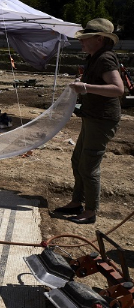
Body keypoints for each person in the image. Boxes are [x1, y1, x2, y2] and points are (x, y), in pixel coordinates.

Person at [54, 18, 124, 224]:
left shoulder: (105, 59)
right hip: (92, 117)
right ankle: (77, 202)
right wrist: (83, 85)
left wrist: (85, 87)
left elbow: (118, 89)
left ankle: (90, 211)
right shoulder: (95, 57)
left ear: (99, 39)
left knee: (89, 166)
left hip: (102, 120)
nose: (81, 42)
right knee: (78, 161)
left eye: (86, 38)